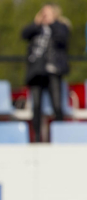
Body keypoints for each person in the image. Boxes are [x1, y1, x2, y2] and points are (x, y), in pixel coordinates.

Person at [22, 3, 70, 142]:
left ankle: (61, 137)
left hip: (53, 70)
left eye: (48, 12)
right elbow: (24, 34)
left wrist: (52, 23)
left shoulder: (61, 26)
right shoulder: (37, 28)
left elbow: (62, 38)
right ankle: (37, 138)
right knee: (36, 106)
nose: (45, 15)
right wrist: (36, 23)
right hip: (36, 72)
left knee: (57, 105)